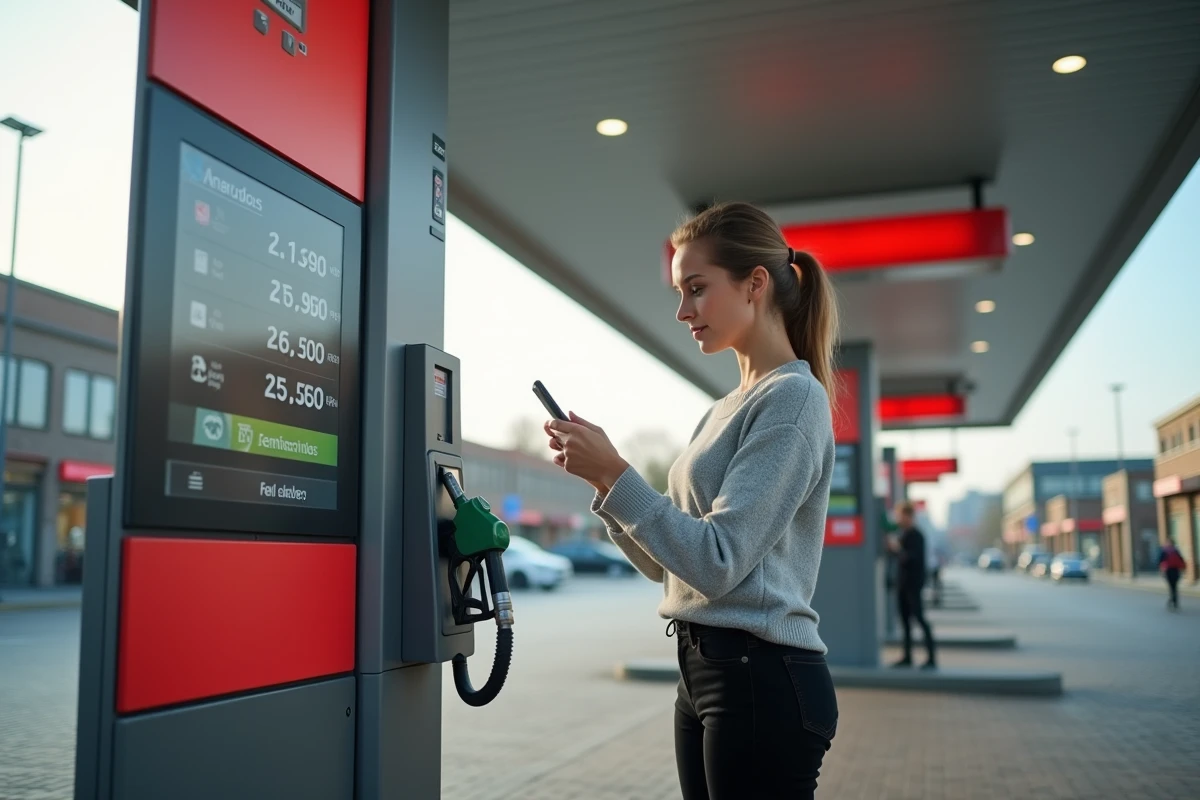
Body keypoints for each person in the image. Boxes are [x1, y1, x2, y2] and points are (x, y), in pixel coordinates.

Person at [544, 202, 840, 799]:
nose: (683, 312)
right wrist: (606, 483)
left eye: (697, 289)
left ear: (755, 283)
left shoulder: (792, 401)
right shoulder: (725, 407)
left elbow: (718, 561)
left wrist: (621, 472)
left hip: (760, 673)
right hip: (708, 669)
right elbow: (672, 569)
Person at [888, 502, 936, 669]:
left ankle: (931, 658)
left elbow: (911, 558)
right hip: (903, 584)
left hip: (913, 585)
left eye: (901, 516)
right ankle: (907, 657)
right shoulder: (904, 534)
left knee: (919, 618)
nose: (898, 519)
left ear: (909, 516)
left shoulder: (916, 535)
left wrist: (897, 549)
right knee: (905, 621)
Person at [1158, 539, 1187, 611]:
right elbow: (1181, 559)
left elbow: (1160, 560)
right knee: (1174, 586)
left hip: (1169, 570)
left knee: (1172, 586)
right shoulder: (1176, 550)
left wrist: (1161, 569)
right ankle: (1174, 600)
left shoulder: (1164, 551)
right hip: (1175, 570)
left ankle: (1172, 599)